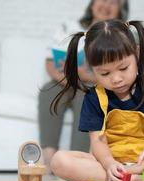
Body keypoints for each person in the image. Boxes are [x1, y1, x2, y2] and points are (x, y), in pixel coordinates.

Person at [50, 19, 144, 181]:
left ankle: (129, 177)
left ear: (136, 54)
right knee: (59, 161)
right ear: (92, 69)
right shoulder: (94, 97)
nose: (116, 79)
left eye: (123, 68)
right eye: (105, 74)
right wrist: (109, 163)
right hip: (112, 165)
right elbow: (97, 141)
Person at [38, 0, 129, 171]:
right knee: (49, 91)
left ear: (120, 10)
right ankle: (49, 159)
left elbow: (118, 74)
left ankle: (75, 160)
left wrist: (85, 76)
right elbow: (50, 62)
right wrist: (71, 79)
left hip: (93, 83)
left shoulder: (119, 36)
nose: (107, 5)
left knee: (87, 99)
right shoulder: (69, 27)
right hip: (64, 80)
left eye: (114, 2)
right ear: (92, 3)